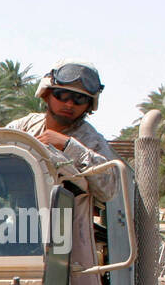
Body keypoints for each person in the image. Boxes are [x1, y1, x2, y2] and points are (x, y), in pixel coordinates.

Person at [7, 61, 117, 201]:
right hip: (16, 217)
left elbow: (109, 191)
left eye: (79, 99)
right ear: (46, 94)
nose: (69, 104)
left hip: (69, 221)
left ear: (88, 105)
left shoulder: (93, 141)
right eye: (62, 95)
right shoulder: (25, 126)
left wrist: (69, 146)